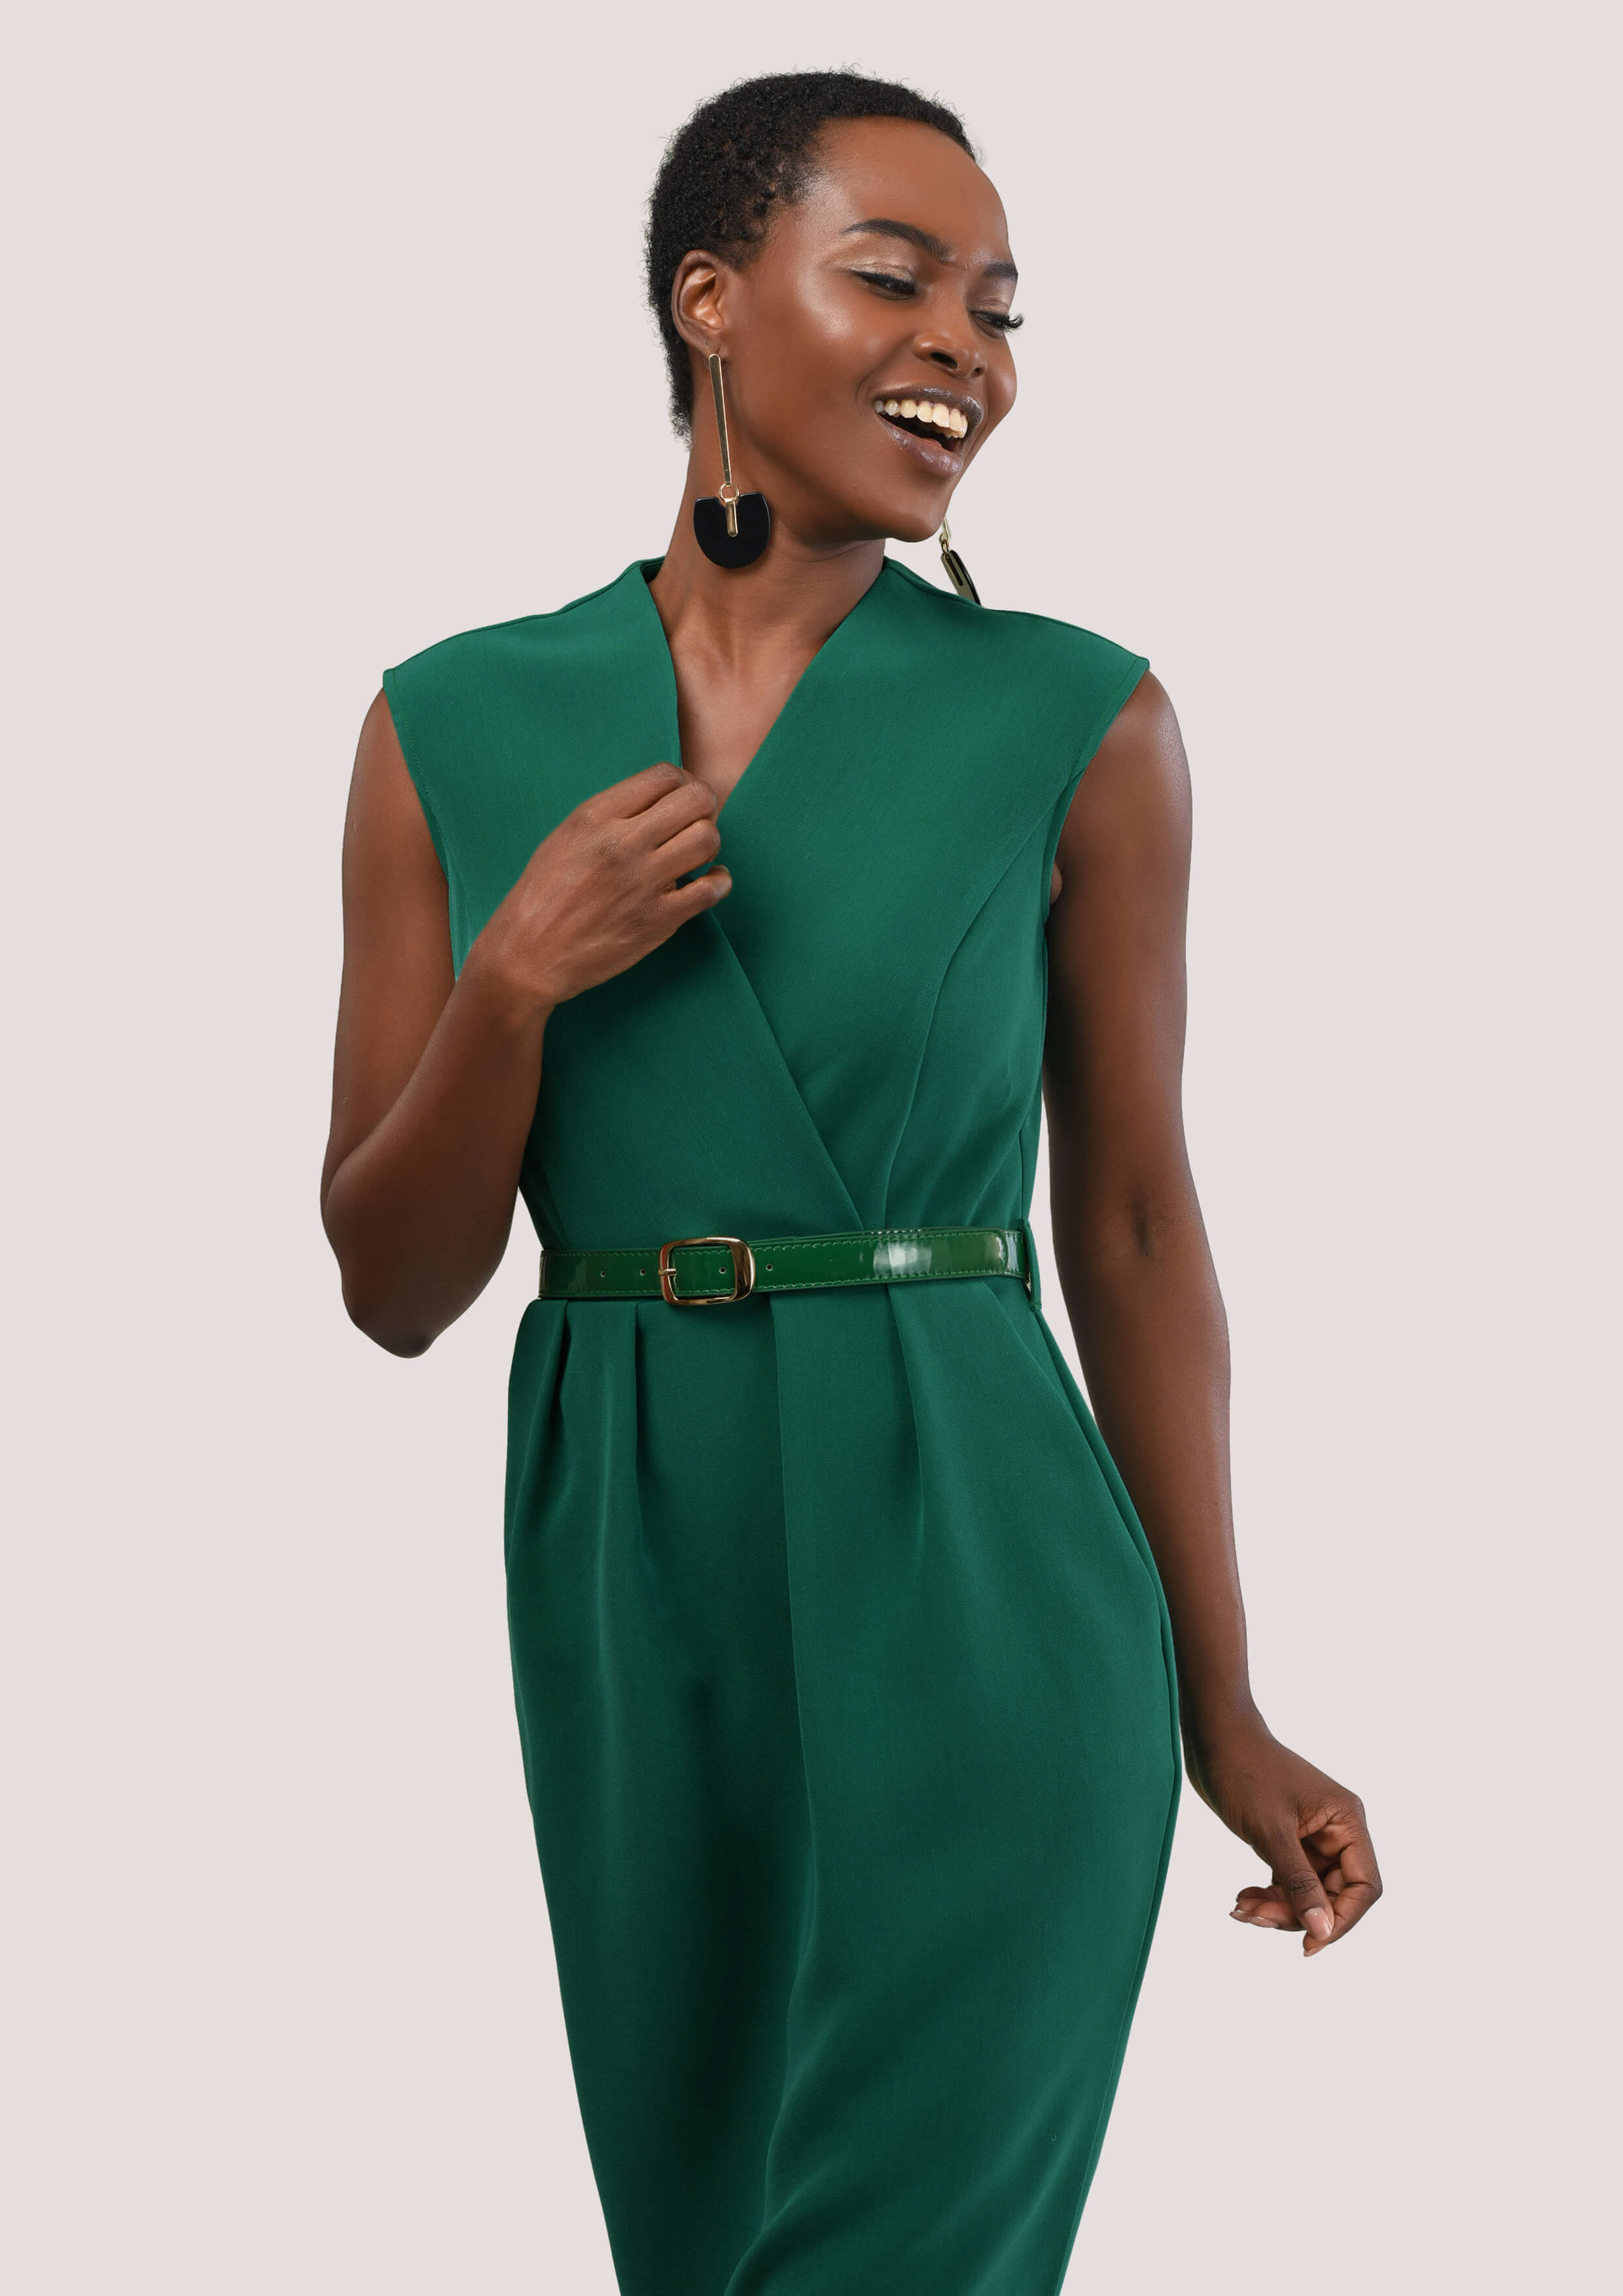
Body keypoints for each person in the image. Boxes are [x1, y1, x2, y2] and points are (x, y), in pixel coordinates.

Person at [321, 68, 1382, 2296]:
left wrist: (1223, 1698)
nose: (962, 350)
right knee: (702, 2248)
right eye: (894, 279)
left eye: (999, 309)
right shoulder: (448, 722)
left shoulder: (1083, 721)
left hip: (981, 1551)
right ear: (711, 302)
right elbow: (394, 1282)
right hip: (629, 1570)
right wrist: (514, 983)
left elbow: (1134, 1227)